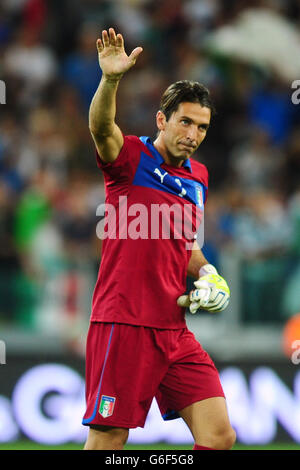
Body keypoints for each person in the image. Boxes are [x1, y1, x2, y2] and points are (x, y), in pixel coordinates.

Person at [82, 28, 236, 451]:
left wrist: (208, 272)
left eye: (202, 126)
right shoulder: (131, 159)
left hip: (173, 327)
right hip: (124, 321)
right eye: (185, 121)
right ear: (162, 120)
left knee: (219, 436)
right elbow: (100, 127)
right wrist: (111, 80)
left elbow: (185, 246)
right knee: (109, 438)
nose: (193, 133)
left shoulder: (198, 178)